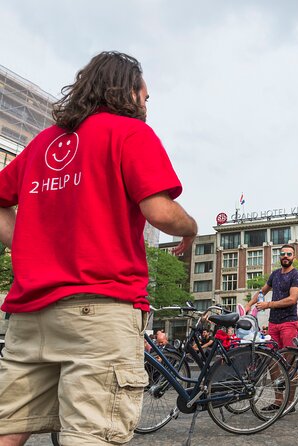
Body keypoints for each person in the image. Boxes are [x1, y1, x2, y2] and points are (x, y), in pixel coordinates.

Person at [0, 51, 198, 445]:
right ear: (128, 90)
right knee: (92, 434)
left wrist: (25, 241)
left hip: (30, 314)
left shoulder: (42, 143)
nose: (148, 100)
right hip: (99, 309)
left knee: (9, 429)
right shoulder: (129, 133)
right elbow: (159, 210)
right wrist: (190, 229)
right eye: (145, 93)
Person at [245, 244, 298, 349]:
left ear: (294, 257)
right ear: (280, 256)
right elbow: (262, 292)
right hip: (272, 323)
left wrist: (268, 304)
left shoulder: (297, 275)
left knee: (288, 358)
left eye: (289, 254)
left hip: (289, 323)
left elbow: (292, 299)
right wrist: (249, 305)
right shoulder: (275, 274)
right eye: (283, 254)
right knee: (272, 359)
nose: (285, 256)